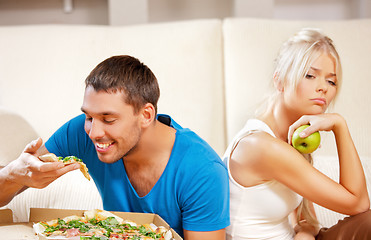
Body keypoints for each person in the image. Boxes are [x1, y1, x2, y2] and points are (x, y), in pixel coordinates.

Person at [0, 55, 230, 239]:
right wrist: (13, 175)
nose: (94, 132)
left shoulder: (202, 171)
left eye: (108, 119)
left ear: (146, 115)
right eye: (89, 117)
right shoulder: (81, 132)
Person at [223, 28, 371, 240]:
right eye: (310, 75)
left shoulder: (292, 139)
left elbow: (304, 220)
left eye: (331, 81)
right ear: (280, 81)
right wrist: (340, 126)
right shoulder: (261, 146)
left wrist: (305, 234)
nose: (323, 88)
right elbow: (358, 203)